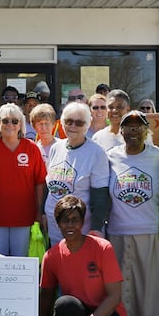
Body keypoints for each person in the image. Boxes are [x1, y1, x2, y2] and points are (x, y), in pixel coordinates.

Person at [105, 111, 159, 316]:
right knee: (124, 283)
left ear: (147, 130)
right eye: (128, 126)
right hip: (119, 229)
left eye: (138, 126)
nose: (133, 130)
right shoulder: (111, 156)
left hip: (151, 229)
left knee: (150, 282)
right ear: (121, 131)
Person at [39, 195, 128, 316]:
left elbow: (114, 297)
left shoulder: (102, 248)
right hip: (77, 311)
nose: (70, 225)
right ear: (58, 223)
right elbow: (46, 295)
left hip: (107, 312)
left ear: (83, 222)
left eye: (75, 220)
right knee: (64, 304)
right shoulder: (51, 256)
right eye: (65, 220)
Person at [0, 103, 47, 256]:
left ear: (21, 125)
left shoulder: (32, 148)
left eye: (15, 121)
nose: (10, 124)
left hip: (25, 218)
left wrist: (38, 212)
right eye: (5, 120)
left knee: (20, 262)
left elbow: (39, 183)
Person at [44, 102, 110, 247]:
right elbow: (48, 186)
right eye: (69, 121)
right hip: (54, 228)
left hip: (80, 231)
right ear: (62, 123)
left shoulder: (96, 153)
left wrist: (96, 227)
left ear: (87, 126)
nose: (73, 126)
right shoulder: (56, 148)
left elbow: (100, 196)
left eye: (79, 123)